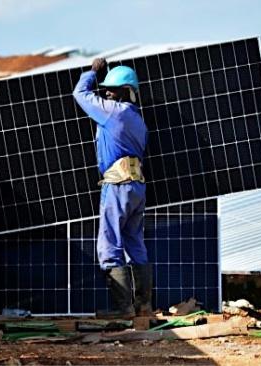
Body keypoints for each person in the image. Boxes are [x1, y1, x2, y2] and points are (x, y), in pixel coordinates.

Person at [73, 58, 151, 318]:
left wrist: (93, 73)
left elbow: (79, 94)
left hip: (117, 186)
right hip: (137, 187)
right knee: (135, 243)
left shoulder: (112, 112)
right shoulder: (139, 120)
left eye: (113, 89)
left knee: (109, 246)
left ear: (126, 91)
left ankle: (124, 310)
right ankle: (143, 307)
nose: (107, 93)